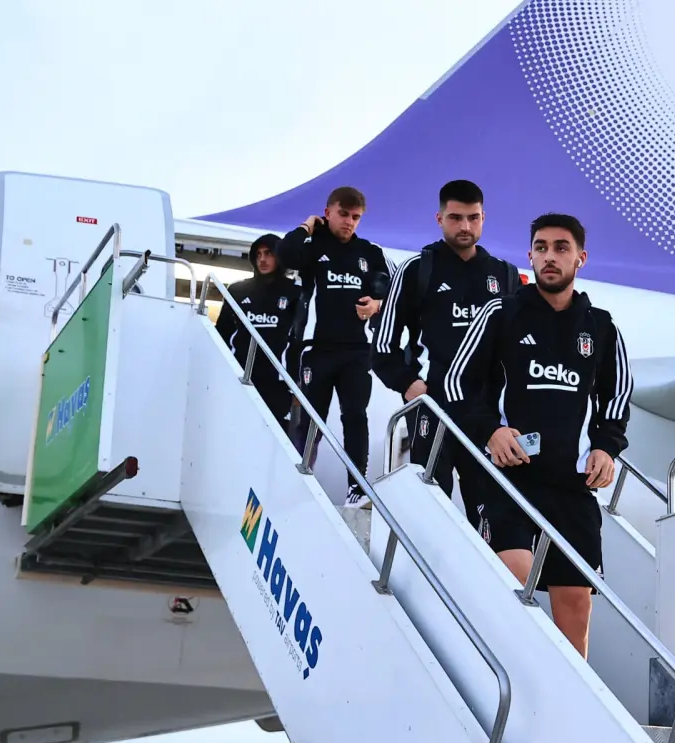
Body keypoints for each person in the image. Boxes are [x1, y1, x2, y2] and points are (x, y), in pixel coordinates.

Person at [443, 213, 632, 657]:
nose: (550, 256)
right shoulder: (501, 313)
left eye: (561, 248)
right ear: (529, 255)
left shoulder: (601, 327)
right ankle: (499, 683)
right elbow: (456, 383)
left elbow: (617, 399)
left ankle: (567, 699)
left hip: (571, 486)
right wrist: (491, 431)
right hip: (510, 477)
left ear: (580, 258)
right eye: (541, 247)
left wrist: (605, 449)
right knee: (514, 577)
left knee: (576, 607)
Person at [372, 179, 523, 528]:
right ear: (439, 219)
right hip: (433, 407)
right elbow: (382, 348)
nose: (465, 226)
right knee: (430, 510)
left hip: (486, 416)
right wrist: (410, 386)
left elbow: (518, 350)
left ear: (484, 218)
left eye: (473, 217)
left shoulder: (505, 275)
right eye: (455, 217)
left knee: (489, 518)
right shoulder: (417, 269)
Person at [278, 186, 392, 508]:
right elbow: (284, 254)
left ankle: (357, 487)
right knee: (310, 418)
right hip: (316, 349)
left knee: (355, 416)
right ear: (327, 213)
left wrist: (378, 305)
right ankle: (299, 480)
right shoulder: (312, 246)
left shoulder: (370, 252)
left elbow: (397, 294)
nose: (349, 222)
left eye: (356, 217)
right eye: (343, 214)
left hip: (356, 350)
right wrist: (306, 226)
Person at [216, 233, 303, 432]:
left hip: (277, 380)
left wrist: (297, 382)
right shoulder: (237, 290)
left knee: (273, 434)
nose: (262, 259)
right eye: (258, 254)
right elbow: (222, 333)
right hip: (240, 375)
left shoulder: (295, 292)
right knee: (234, 430)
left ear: (280, 256)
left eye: (269, 253)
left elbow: (298, 339)